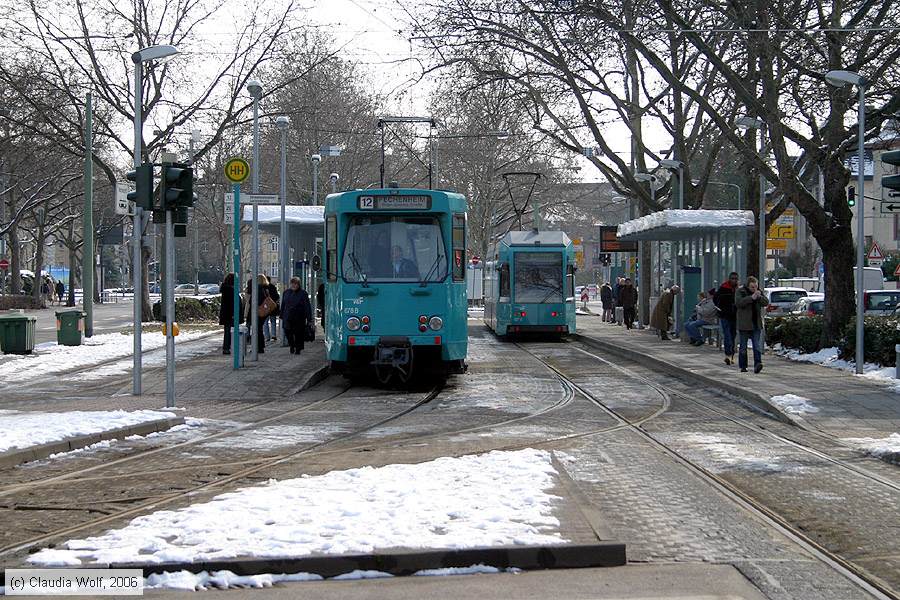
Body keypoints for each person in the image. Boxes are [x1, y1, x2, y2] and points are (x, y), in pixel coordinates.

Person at [735, 275, 769, 373]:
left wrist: (759, 297)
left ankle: (758, 364)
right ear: (748, 286)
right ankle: (743, 366)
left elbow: (766, 302)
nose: (754, 289)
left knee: (756, 346)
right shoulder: (741, 291)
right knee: (743, 347)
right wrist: (751, 298)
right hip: (744, 324)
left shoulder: (759, 292)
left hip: (756, 323)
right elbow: (739, 303)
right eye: (752, 287)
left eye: (756, 286)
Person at [281, 277, 312, 354]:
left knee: (299, 333)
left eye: (296, 284)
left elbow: (307, 306)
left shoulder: (303, 293)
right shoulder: (286, 292)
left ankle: (298, 348)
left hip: (299, 317)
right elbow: (283, 305)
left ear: (298, 284)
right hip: (287, 316)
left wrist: (309, 318)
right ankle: (292, 345)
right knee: (288, 332)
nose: (294, 285)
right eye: (292, 283)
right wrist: (281, 314)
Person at [714, 272, 740, 365]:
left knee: (733, 335)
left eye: (735, 278)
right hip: (725, 315)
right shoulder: (723, 288)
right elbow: (715, 299)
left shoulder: (739, 289)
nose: (734, 280)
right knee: (727, 335)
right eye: (732, 278)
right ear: (729, 279)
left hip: (734, 316)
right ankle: (728, 354)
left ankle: (731, 355)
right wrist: (720, 309)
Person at [218, 273, 244, 355]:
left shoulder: (226, 289)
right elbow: (232, 303)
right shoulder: (230, 290)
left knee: (228, 331)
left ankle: (227, 347)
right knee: (230, 331)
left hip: (227, 314)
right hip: (231, 314)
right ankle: (227, 347)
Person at [246, 274, 271, 354]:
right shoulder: (265, 289)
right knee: (259, 329)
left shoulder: (258, 289)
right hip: (263, 312)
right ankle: (260, 347)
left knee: (256, 330)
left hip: (257, 312)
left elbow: (253, 301)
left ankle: (257, 347)